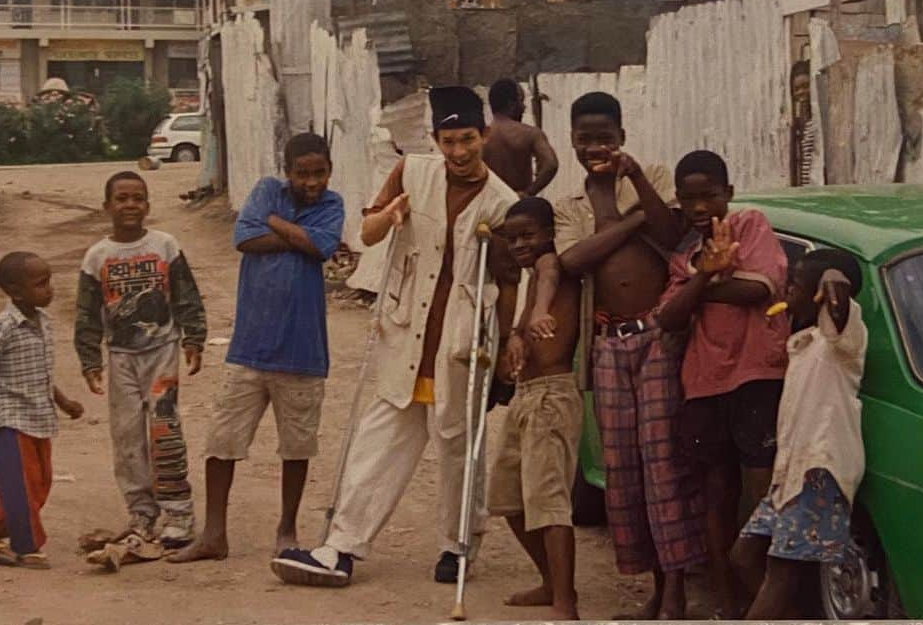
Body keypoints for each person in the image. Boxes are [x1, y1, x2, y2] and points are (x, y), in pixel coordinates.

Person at [271, 86, 518, 588]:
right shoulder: (412, 172)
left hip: (461, 340)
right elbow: (367, 233)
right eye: (448, 140)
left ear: (484, 135)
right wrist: (389, 217)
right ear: (435, 139)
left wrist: (508, 347)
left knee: (458, 446)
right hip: (406, 334)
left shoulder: (504, 202)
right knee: (376, 443)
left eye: (467, 139)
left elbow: (510, 281)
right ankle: (339, 546)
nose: (458, 152)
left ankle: (458, 545)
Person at [554, 92, 705, 619]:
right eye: (585, 138)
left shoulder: (654, 176)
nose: (596, 147)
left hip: (658, 339)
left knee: (665, 465)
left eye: (605, 137)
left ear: (621, 136)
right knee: (624, 471)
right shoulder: (568, 203)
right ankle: (653, 591)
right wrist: (627, 219)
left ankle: (677, 593)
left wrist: (636, 188)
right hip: (607, 345)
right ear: (571, 140)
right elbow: (574, 260)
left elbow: (670, 232)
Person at [170, 133, 344, 564]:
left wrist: (278, 224)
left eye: (319, 173)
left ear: (330, 171)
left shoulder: (333, 204)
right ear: (287, 173)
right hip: (249, 347)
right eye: (302, 173)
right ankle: (214, 534)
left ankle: (286, 530)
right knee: (222, 442)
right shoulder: (267, 190)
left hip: (303, 351)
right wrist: (300, 237)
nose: (311, 182)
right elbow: (244, 238)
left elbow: (323, 247)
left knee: (296, 448)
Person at [656, 150, 790, 618]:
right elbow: (669, 318)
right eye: (688, 199)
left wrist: (701, 285)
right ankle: (727, 602)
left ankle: (771, 596)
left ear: (728, 194)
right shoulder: (684, 255)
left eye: (708, 196)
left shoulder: (751, 224)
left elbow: (759, 290)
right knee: (716, 493)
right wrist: (708, 274)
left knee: (760, 487)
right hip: (704, 382)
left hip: (757, 374)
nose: (698, 208)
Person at [730, 249, 867, 619]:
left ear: (820, 294)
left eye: (796, 284)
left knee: (781, 574)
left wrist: (831, 283)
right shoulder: (804, 342)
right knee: (743, 557)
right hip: (790, 476)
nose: (786, 289)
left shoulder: (843, 341)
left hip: (818, 474)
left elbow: (839, 297)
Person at [75, 171, 207, 548]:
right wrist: (90, 360)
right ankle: (142, 513)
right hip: (121, 359)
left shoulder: (165, 246)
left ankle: (179, 513)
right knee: (127, 436)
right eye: (122, 198)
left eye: (138, 198)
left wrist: (194, 336)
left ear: (147, 205)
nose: (130, 205)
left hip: (162, 352)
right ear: (107, 206)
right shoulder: (97, 256)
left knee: (164, 430)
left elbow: (186, 294)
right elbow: (87, 314)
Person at [489, 197, 582, 620]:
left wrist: (541, 311)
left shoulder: (551, 265)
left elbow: (547, 278)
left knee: (549, 503)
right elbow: (528, 309)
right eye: (513, 238)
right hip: (528, 395)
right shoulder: (528, 278)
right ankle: (550, 583)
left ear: (548, 234)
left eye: (529, 235)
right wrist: (514, 336)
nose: (521, 244)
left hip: (552, 396)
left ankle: (566, 601)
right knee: (507, 499)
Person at [0, 251, 84, 569]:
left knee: (40, 483)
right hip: (8, 418)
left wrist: (63, 401)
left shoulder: (42, 322)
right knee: (21, 484)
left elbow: (40, 372)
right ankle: (26, 547)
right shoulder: (1, 327)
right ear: (16, 292)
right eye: (41, 284)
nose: (50, 290)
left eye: (49, 282)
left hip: (37, 415)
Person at [482, 78, 558, 196]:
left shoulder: (480, 137)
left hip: (490, 205)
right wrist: (528, 193)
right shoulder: (530, 133)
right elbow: (551, 164)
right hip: (520, 206)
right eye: (522, 102)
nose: (524, 107)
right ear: (512, 105)